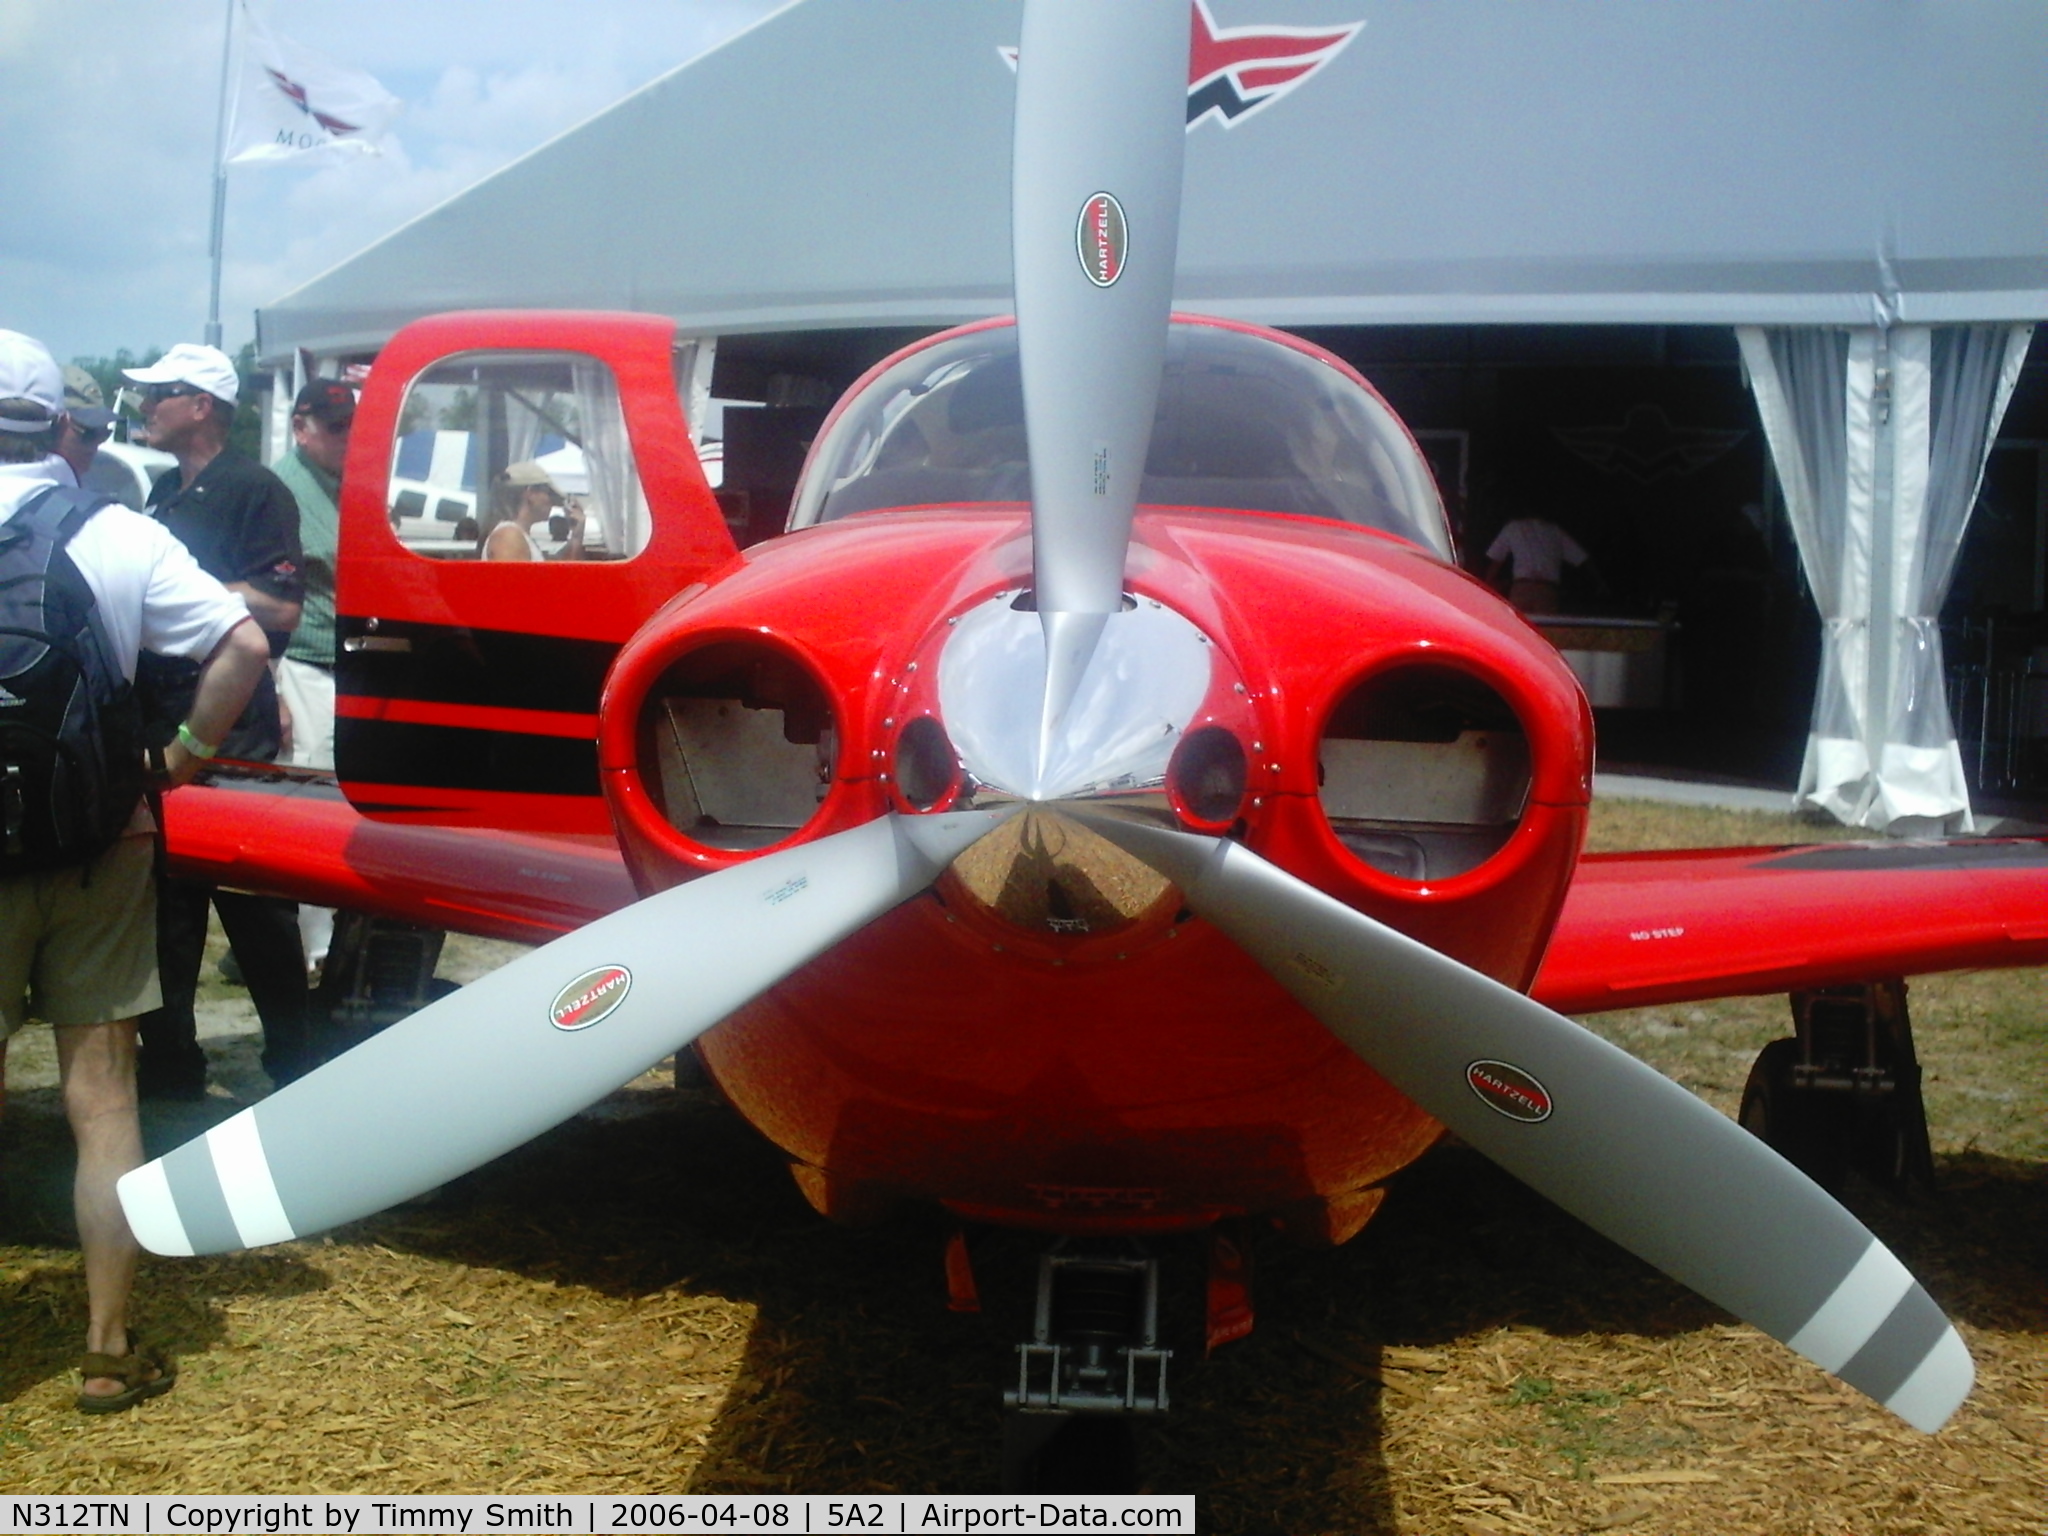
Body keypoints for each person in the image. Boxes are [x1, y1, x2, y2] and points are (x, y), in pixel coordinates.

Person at [0, 329, 270, 1412]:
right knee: (102, 1098)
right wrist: (183, 759)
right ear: (61, 424)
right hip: (100, 845)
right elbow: (244, 646)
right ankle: (107, 1347)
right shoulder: (115, 529)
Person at [123, 343, 312, 1095]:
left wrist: (192, 596)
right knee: (163, 914)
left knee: (257, 911)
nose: (145, 406)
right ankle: (170, 1069)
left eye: (159, 393)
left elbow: (282, 605)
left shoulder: (255, 489)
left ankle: (296, 1068)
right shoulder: (164, 492)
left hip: (234, 735)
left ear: (201, 405)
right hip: (162, 724)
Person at [270, 379, 352, 979]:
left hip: (340, 664)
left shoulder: (345, 486)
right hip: (300, 663)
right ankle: (309, 950)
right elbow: (263, 594)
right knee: (314, 808)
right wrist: (270, 685)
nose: (348, 436)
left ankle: (317, 940)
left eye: (351, 423)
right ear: (302, 427)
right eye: (334, 425)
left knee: (333, 802)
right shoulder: (283, 490)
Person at [1484, 515, 1597, 616]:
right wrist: (1599, 584)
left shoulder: (1513, 527)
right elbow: (1582, 558)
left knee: (1519, 629)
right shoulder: (1554, 531)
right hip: (1547, 590)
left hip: (1522, 588)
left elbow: (1496, 558)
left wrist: (1487, 585)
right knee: (1544, 630)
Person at [481, 459, 582, 561]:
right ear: (530, 493)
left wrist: (576, 537)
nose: (551, 502)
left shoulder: (514, 534)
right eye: (548, 493)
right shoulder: (509, 537)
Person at [55, 366, 116, 484]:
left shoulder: (99, 486)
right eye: (89, 433)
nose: (95, 445)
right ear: (56, 423)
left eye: (104, 434)